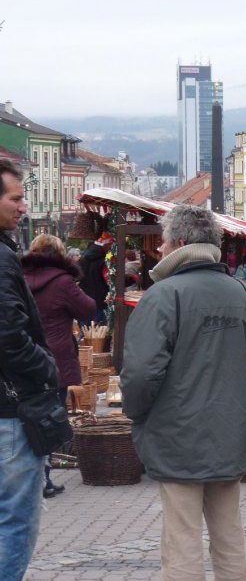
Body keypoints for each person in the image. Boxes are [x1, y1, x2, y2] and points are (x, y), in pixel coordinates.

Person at [122, 205, 246, 581]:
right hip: (230, 431)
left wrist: (136, 413)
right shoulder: (241, 292)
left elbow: (140, 374)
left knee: (181, 540)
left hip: (177, 434)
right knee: (229, 537)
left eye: (163, 242)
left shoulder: (163, 295)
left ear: (180, 243)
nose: (160, 249)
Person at [0, 159, 59, 580]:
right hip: (11, 411)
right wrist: (47, 368)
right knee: (16, 522)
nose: (23, 207)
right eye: (16, 199)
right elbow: (9, 336)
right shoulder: (2, 259)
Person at [22, 234, 97, 499]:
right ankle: (43, 479)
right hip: (55, 359)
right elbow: (88, 309)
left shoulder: (19, 278)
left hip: (26, 356)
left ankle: (34, 478)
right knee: (52, 418)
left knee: (28, 419)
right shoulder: (62, 282)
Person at [78, 232, 112, 325]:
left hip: (84, 301)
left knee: (86, 331)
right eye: (109, 245)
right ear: (105, 245)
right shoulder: (104, 260)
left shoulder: (82, 259)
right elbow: (109, 280)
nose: (110, 248)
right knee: (100, 331)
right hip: (100, 302)